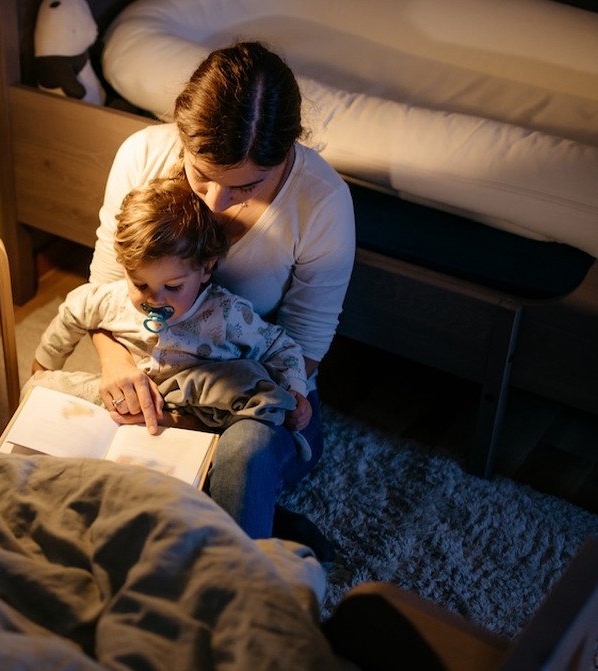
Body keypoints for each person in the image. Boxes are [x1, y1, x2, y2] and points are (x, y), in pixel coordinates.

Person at [86, 41, 355, 561]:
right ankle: (255, 523)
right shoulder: (143, 155)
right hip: (149, 358)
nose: (215, 203)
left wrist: (205, 400)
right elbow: (103, 287)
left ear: (285, 155)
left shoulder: (320, 201)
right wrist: (116, 362)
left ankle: (231, 580)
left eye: (246, 186)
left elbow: (306, 344)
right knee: (70, 414)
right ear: (182, 138)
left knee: (243, 456)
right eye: (201, 174)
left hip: (252, 386)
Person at [30, 176, 313, 439]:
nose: (155, 300)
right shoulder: (111, 300)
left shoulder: (226, 314)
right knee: (40, 389)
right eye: (141, 285)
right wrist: (43, 364)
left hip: (202, 412)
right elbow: (73, 310)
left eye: (173, 287)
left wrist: (296, 390)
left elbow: (280, 347)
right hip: (129, 399)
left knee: (257, 404)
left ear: (205, 268)